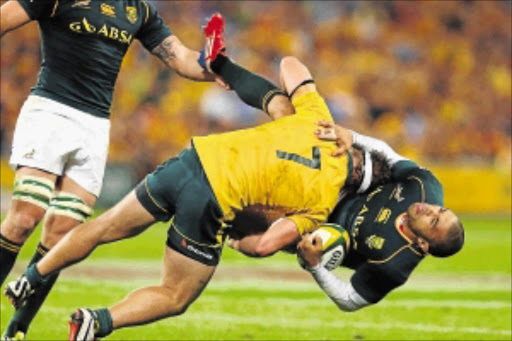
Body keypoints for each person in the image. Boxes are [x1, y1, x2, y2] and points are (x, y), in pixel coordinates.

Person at [4, 45, 394, 339]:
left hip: (193, 158)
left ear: (355, 150)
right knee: (176, 295)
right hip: (215, 200)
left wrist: (294, 94)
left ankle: (31, 277)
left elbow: (291, 64)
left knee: (105, 225)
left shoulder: (317, 119)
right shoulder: (324, 204)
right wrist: (240, 242)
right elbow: (264, 246)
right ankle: (97, 322)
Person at [0, 1, 228, 339]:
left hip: (94, 126)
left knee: (62, 232)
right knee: (24, 217)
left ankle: (16, 330)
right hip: (50, 111)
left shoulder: (139, 10)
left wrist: (215, 64)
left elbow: (179, 58)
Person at [295, 121, 465, 311]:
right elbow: (388, 155)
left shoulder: (394, 266)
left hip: (316, 228)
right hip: (340, 186)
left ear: (423, 244)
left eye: (433, 221)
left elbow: (349, 300)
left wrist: (315, 266)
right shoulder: (425, 185)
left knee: (259, 246)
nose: (431, 209)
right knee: (357, 157)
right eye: (441, 210)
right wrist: (352, 137)